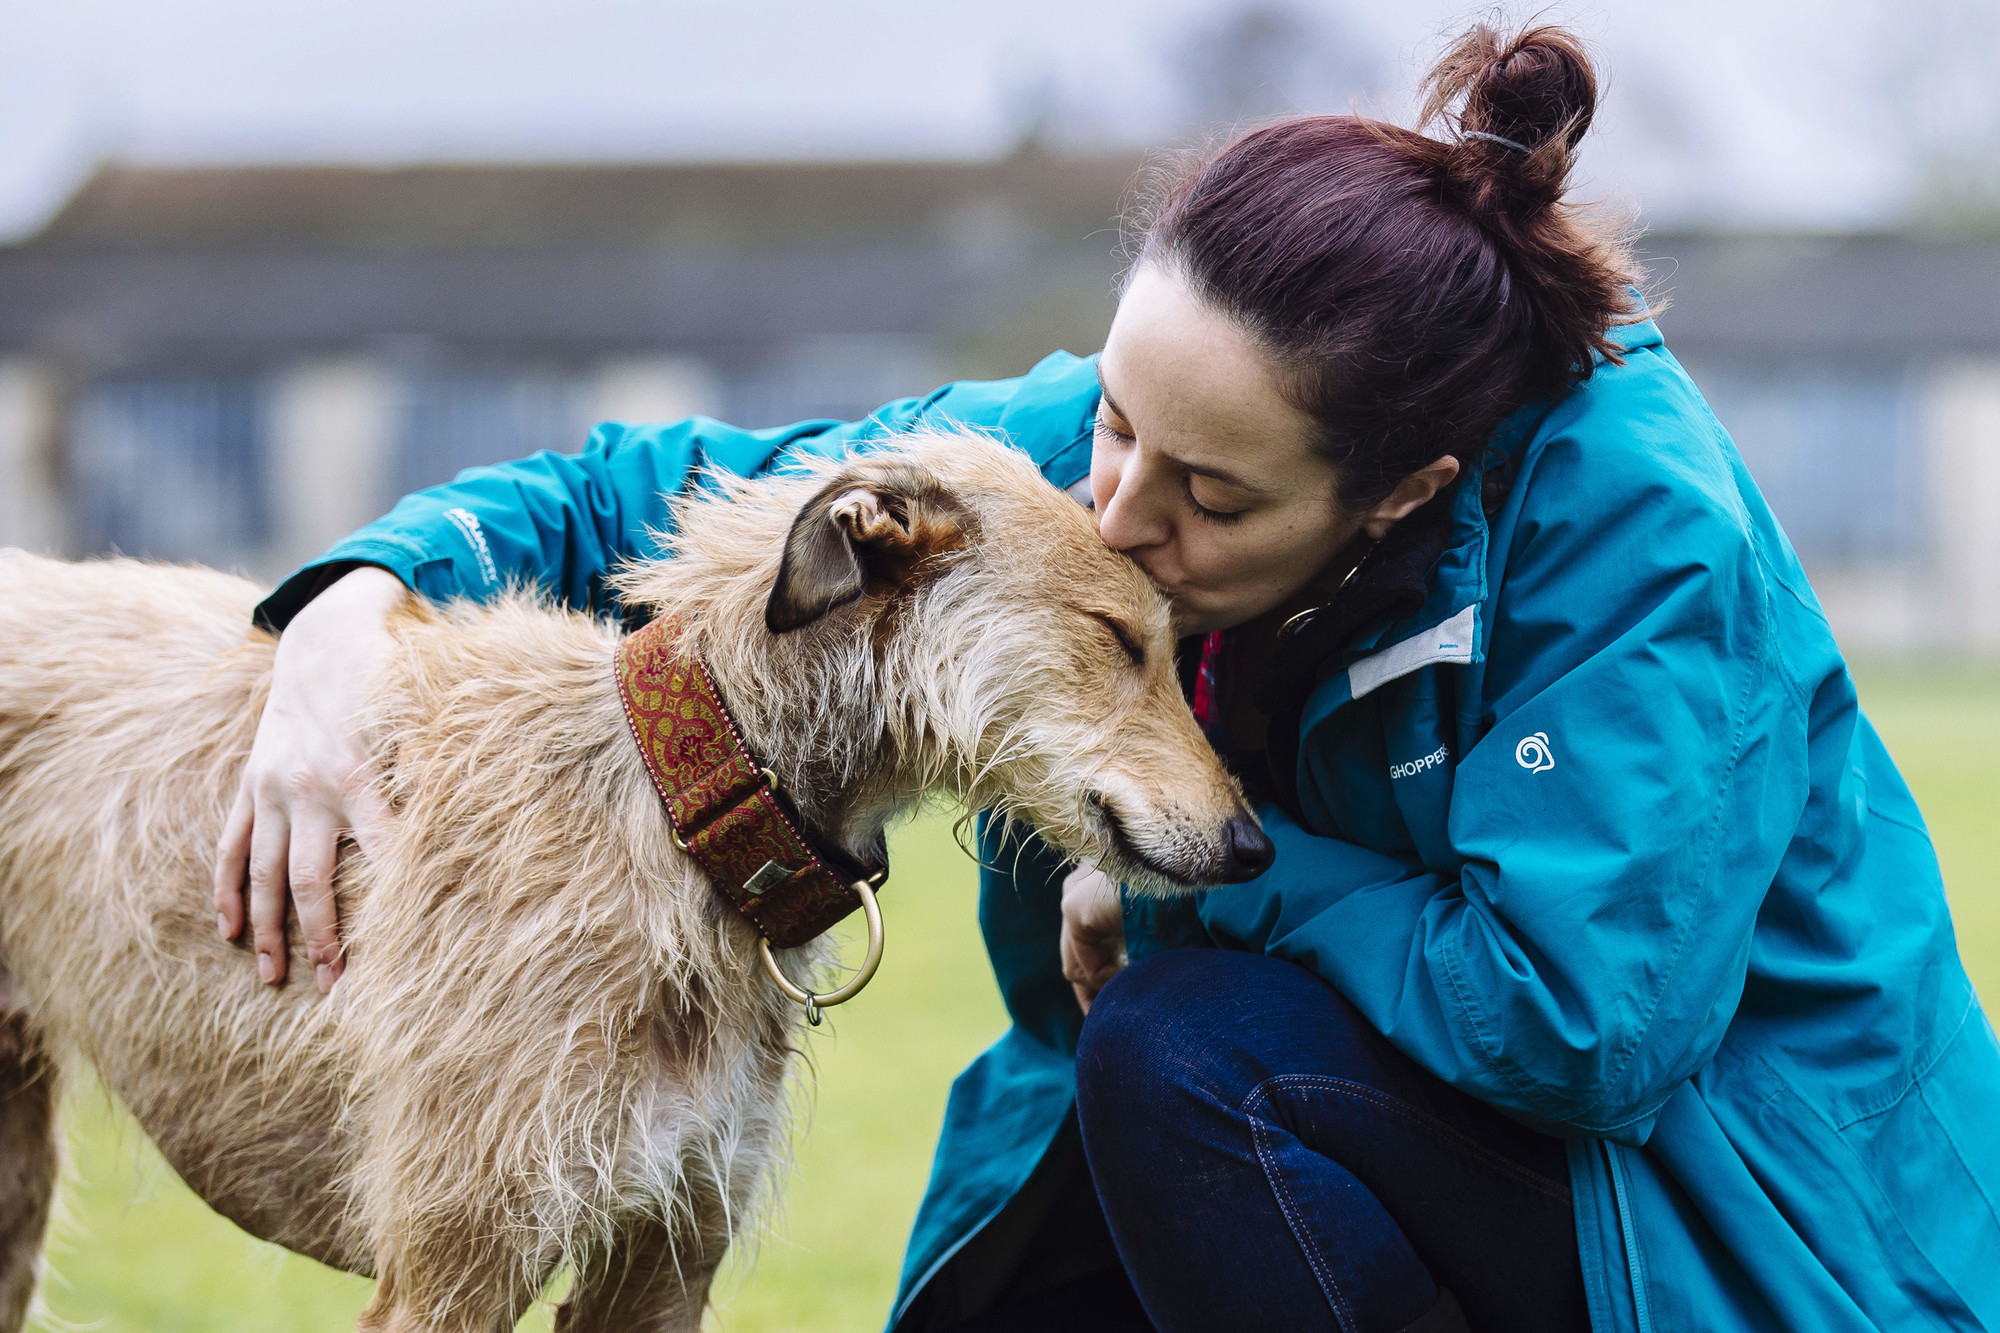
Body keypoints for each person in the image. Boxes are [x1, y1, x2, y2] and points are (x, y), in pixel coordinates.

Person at [214, 23, 2000, 1333]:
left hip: (1726, 1227)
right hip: (1351, 1105)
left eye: (1206, 494)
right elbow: (651, 491)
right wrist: (357, 599)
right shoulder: (1087, 463)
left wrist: (1198, 897)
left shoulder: (1641, 540)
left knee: (1180, 1051)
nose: (1117, 517)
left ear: (1402, 497)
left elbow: (1578, 1025)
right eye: (1120, 426)